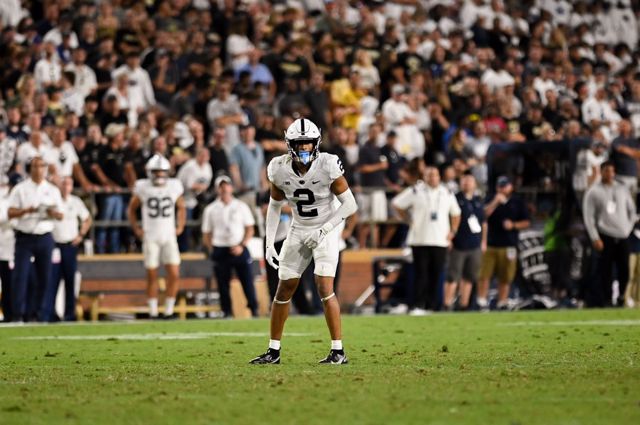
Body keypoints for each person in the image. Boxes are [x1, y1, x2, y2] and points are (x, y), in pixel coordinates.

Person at [251, 118, 357, 365]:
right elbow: (274, 206)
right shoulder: (278, 168)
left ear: (316, 143)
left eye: (308, 143)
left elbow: (350, 204)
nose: (304, 147)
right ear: (289, 144)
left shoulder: (328, 164)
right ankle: (273, 351)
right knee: (284, 288)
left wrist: (325, 230)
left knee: (324, 285)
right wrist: (269, 243)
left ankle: (338, 351)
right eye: (299, 143)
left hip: (325, 229)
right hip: (298, 229)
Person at [392, 167, 461, 315]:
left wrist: (453, 231)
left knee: (436, 274)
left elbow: (456, 213)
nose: (432, 178)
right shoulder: (415, 191)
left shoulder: (447, 192)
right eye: (429, 175)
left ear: (439, 176)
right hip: (419, 239)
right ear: (424, 177)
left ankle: (433, 306)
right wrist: (407, 219)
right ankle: (418, 305)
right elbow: (397, 204)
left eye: (435, 175)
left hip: (440, 240)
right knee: (421, 274)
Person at [128, 155, 186, 318]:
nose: (160, 174)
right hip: (151, 235)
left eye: (162, 171)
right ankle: (153, 311)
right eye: (156, 171)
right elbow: (132, 208)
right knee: (152, 274)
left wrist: (180, 225)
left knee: (174, 273)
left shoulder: (174, 186)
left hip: (168, 235)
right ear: (150, 172)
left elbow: (181, 206)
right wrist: (136, 228)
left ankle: (168, 310)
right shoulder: (143, 187)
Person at [7, 156, 64, 322]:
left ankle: (39, 314)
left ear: (45, 169)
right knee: (20, 276)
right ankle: (18, 314)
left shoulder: (52, 190)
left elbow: (61, 215)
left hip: (45, 236)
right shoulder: (20, 189)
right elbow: (10, 212)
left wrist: (52, 213)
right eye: (35, 166)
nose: (38, 170)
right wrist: (27, 211)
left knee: (45, 277)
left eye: (41, 166)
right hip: (24, 237)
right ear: (30, 169)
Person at [201, 175, 259, 318]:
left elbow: (250, 229)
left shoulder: (240, 206)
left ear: (231, 188)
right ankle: (226, 311)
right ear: (217, 189)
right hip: (220, 248)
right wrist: (212, 248)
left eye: (226, 185)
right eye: (221, 186)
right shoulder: (211, 209)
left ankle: (254, 309)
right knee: (222, 284)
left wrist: (242, 245)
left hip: (239, 247)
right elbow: (206, 233)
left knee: (247, 280)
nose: (224, 189)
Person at [583, 162, 636, 307]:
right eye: (606, 171)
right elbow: (589, 217)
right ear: (601, 172)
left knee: (624, 268)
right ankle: (606, 299)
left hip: (623, 235)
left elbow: (632, 211)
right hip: (605, 235)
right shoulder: (593, 191)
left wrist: (627, 228)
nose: (610, 174)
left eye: (612, 171)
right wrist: (595, 237)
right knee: (605, 270)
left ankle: (621, 296)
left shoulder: (622, 189)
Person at [41, 176, 92, 322]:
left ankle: (70, 314)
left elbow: (87, 219)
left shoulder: (75, 201)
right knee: (52, 280)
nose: (65, 187)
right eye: (63, 184)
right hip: (55, 246)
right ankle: (49, 314)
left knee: (70, 280)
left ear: (72, 186)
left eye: (68, 184)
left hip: (70, 245)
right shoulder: (52, 200)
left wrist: (81, 235)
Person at [477, 176, 530, 311]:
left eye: (505, 186)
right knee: (484, 275)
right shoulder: (490, 199)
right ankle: (481, 302)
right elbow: (482, 215)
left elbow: (526, 222)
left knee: (505, 276)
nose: (502, 188)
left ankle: (502, 302)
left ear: (510, 187)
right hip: (490, 245)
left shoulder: (517, 202)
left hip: (509, 245)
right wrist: (495, 202)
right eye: (500, 186)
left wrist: (513, 225)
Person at [444, 173, 486, 311]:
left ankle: (464, 305)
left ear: (475, 184)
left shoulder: (478, 200)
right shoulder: (455, 199)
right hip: (458, 244)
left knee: (469, 277)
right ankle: (447, 304)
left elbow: (483, 222)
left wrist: (483, 241)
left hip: (474, 244)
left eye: (470, 181)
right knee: (453, 277)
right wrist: (449, 238)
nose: (467, 183)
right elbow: (448, 219)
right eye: (464, 180)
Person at [0, 173, 23, 322]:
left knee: (17, 283)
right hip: (4, 248)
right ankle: (7, 313)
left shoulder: (22, 200)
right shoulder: (4, 201)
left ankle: (17, 313)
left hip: (19, 247)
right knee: (6, 283)